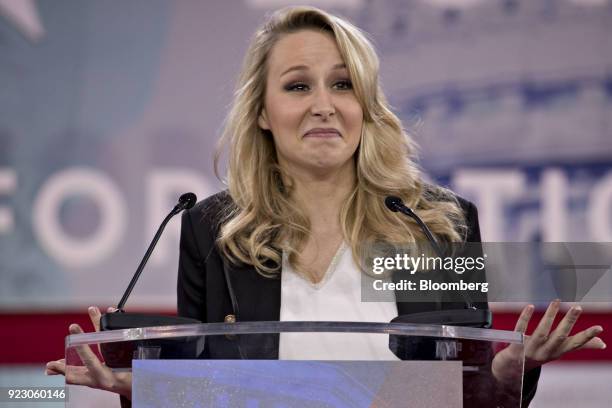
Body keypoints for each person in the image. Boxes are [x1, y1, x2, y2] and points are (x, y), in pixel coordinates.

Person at [46, 5, 606, 406]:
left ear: (366, 105)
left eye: (343, 85)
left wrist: (509, 373)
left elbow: (465, 390)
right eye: (297, 87)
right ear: (262, 112)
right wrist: (146, 390)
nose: (323, 106)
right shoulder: (215, 231)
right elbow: (208, 390)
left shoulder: (435, 223)